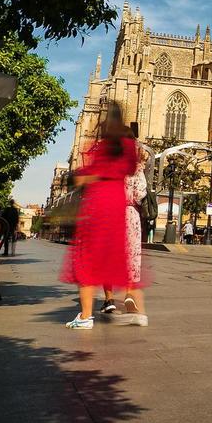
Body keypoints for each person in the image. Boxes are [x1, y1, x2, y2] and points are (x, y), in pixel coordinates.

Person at [60, 101, 137, 330]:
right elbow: (130, 169)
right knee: (110, 256)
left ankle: (85, 316)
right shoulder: (128, 145)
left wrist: (81, 177)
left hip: (99, 203)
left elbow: (93, 173)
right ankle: (118, 302)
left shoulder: (102, 145)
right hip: (117, 202)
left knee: (87, 260)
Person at [102, 127, 149, 326]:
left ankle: (109, 299)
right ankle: (129, 293)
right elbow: (140, 194)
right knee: (130, 256)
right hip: (131, 216)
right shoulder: (136, 166)